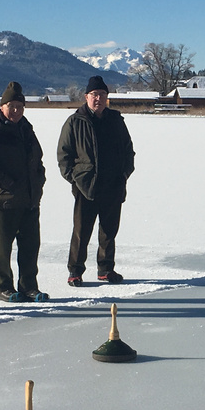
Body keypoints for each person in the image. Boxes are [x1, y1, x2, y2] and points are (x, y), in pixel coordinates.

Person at [57, 75, 135, 287]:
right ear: (86, 97)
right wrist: (74, 178)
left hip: (113, 184)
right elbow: (64, 155)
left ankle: (105, 269)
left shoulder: (116, 120)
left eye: (102, 94)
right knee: (81, 232)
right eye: (94, 95)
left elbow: (129, 151)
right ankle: (75, 271)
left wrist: (124, 173)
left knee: (109, 232)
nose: (98, 98)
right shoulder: (75, 121)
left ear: (107, 97)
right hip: (86, 186)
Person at [0, 81, 49, 303]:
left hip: (29, 199)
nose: (16, 111)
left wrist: (39, 181)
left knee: (30, 247)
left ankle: (29, 286)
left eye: (20, 106)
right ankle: (3, 287)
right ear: (2, 107)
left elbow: (37, 159)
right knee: (2, 249)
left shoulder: (27, 130)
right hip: (4, 200)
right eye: (12, 106)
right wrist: (6, 183)